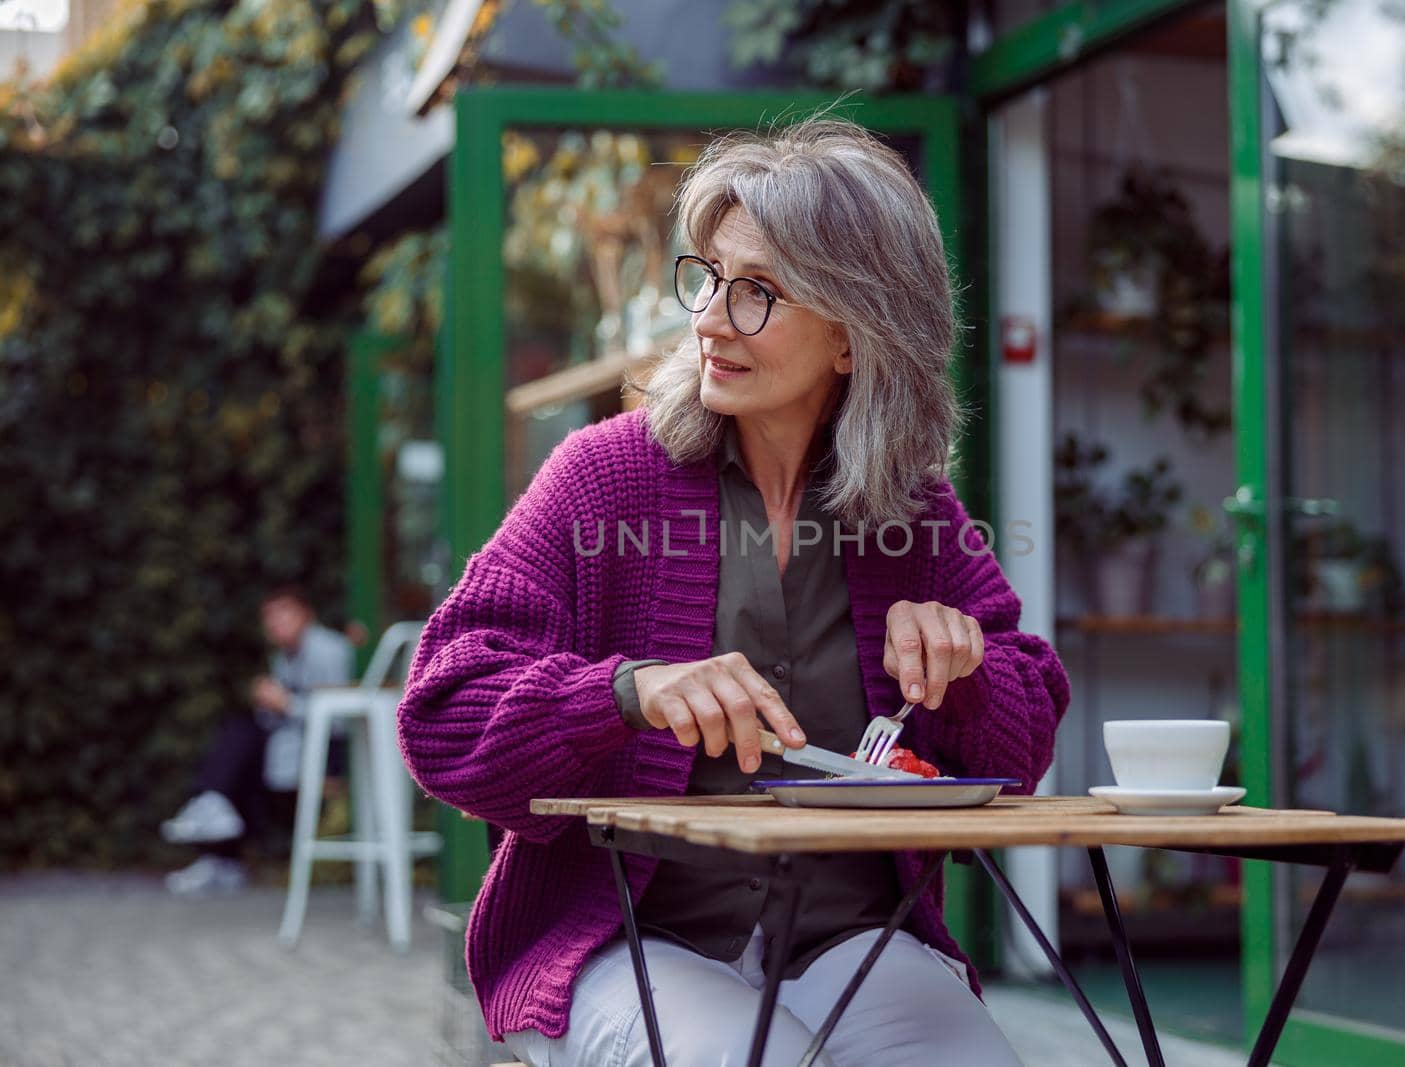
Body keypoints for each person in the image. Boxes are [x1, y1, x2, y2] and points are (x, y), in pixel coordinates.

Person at [397, 117, 1071, 1066]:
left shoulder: (911, 510)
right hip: (631, 939)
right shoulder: (604, 478)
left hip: (847, 940)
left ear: (853, 335)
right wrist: (625, 692)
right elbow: (442, 712)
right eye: (709, 278)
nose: (710, 318)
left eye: (757, 292)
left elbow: (1027, 728)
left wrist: (965, 665)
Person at [161, 585, 354, 895]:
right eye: (270, 617)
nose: (277, 623)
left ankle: (213, 815)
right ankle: (221, 855)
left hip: (326, 752)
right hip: (291, 748)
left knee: (238, 742)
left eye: (284, 612)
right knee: (235, 765)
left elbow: (340, 716)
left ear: (306, 614)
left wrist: (285, 703)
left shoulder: (325, 649)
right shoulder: (285, 656)